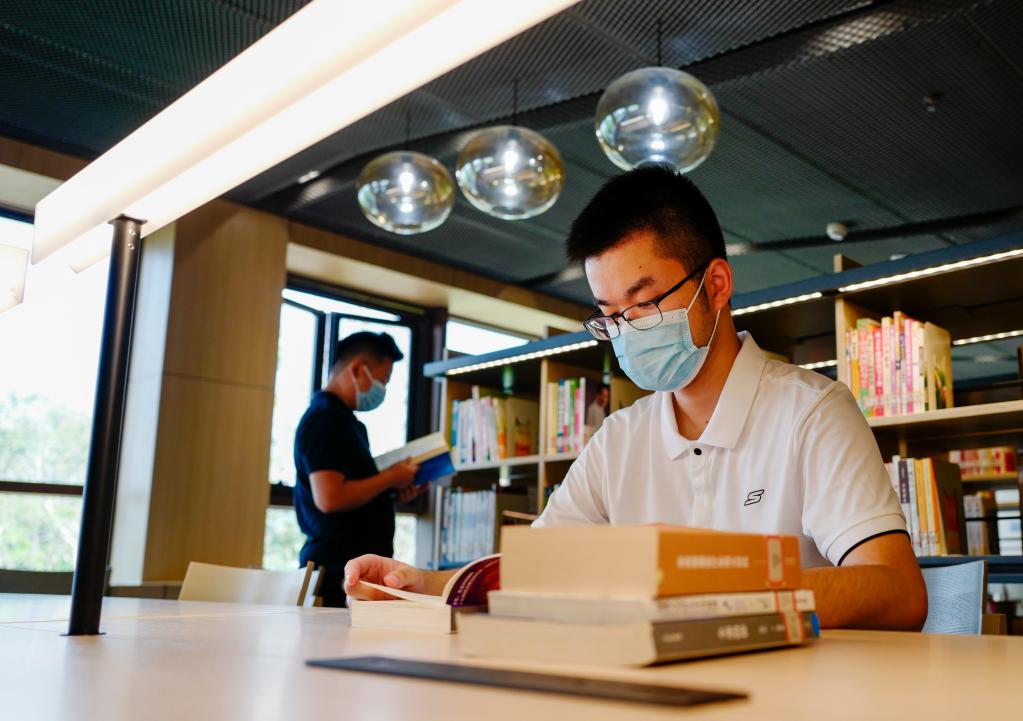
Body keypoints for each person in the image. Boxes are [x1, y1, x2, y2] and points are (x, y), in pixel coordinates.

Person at [345, 166, 928, 630]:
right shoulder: (620, 438)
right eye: (610, 315)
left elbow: (897, 592)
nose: (627, 329)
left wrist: (716, 591)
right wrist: (422, 582)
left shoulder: (812, 412)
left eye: (644, 302)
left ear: (716, 286)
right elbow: (537, 571)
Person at [293, 331, 426, 607]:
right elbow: (330, 498)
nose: (382, 389)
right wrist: (390, 477)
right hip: (336, 572)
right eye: (382, 380)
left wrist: (390, 492)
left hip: (355, 570)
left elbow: (352, 493)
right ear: (356, 369)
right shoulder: (325, 420)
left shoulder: (348, 423)